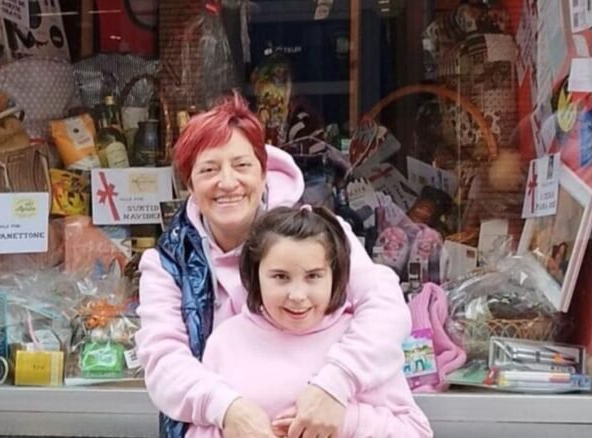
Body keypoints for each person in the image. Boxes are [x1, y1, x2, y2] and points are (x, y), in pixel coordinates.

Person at [136, 92, 411, 438]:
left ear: (264, 171)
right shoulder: (168, 263)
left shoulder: (316, 231)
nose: (227, 182)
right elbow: (163, 363)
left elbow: (384, 305)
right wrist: (226, 408)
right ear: (189, 183)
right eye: (208, 169)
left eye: (241, 165)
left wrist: (336, 384)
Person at [185, 206, 432, 438]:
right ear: (255, 274)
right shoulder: (226, 341)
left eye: (313, 276)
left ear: (335, 276)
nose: (297, 295)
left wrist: (347, 419)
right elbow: (200, 429)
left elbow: (415, 430)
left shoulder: (358, 341)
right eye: (280, 277)